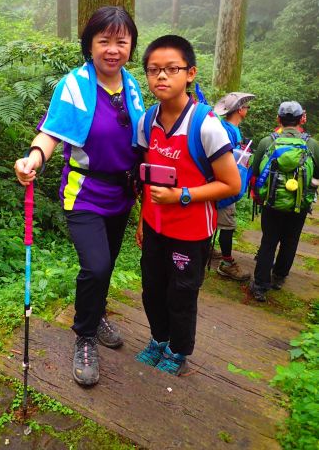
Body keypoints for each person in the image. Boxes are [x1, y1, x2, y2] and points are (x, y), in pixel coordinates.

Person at [14, 6, 145, 387]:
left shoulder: (133, 85)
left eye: (121, 41)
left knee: (109, 262)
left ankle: (97, 310)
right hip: (85, 193)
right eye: (104, 41)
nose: (113, 49)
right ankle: (84, 335)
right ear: (89, 45)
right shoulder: (73, 85)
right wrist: (33, 158)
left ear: (131, 45)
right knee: (97, 266)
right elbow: (51, 133)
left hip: (123, 193)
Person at [134, 35, 241, 375]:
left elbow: (231, 183)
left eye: (171, 69)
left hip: (191, 232)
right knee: (152, 288)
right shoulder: (146, 120)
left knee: (181, 293)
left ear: (190, 73)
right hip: (154, 226)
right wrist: (142, 219)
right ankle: (159, 340)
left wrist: (182, 195)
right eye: (153, 70)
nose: (161, 77)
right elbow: (146, 179)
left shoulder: (206, 125)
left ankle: (178, 351)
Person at [250, 101, 319, 302]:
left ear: (279, 119)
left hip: (271, 202)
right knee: (291, 240)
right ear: (302, 119)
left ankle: (260, 286)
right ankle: (279, 277)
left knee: (268, 241)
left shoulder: (267, 142)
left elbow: (255, 172)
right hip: (299, 204)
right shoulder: (312, 145)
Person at [212, 92, 255, 281]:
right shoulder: (228, 130)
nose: (247, 110)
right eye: (247, 107)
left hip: (221, 183)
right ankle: (227, 263)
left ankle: (206, 249)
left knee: (213, 218)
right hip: (225, 185)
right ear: (240, 109)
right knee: (227, 225)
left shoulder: (228, 128)